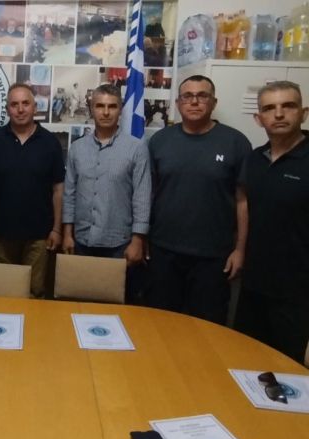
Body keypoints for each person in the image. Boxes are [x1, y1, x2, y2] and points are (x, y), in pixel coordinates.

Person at [147, 75, 251, 324]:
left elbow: (243, 201)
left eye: (202, 96)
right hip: (163, 251)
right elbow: (149, 194)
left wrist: (240, 250)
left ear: (214, 102)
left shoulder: (236, 142)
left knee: (208, 327)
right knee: (160, 323)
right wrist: (144, 237)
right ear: (178, 103)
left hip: (213, 257)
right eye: (187, 96)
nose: (194, 102)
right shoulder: (159, 141)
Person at [234, 81, 309, 364]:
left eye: (288, 106)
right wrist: (239, 250)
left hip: (298, 290)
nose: (278, 114)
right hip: (255, 282)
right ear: (259, 118)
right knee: (247, 359)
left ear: (304, 113)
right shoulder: (254, 159)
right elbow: (243, 203)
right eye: (269, 108)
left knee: (289, 368)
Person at [62, 84, 151, 303]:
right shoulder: (77, 148)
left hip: (119, 245)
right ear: (91, 109)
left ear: (120, 109)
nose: (106, 112)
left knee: (116, 307)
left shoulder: (136, 148)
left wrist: (137, 241)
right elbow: (69, 193)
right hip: (81, 241)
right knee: (80, 303)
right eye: (100, 106)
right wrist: (67, 234)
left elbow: (142, 196)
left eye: (112, 106)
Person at [0, 83, 64, 298]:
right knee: (2, 292)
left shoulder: (50, 142)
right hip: (0, 233)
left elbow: (58, 189)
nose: (20, 109)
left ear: (35, 107)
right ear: (7, 109)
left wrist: (56, 229)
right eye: (14, 104)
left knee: (35, 293)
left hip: (39, 235)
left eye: (25, 103)